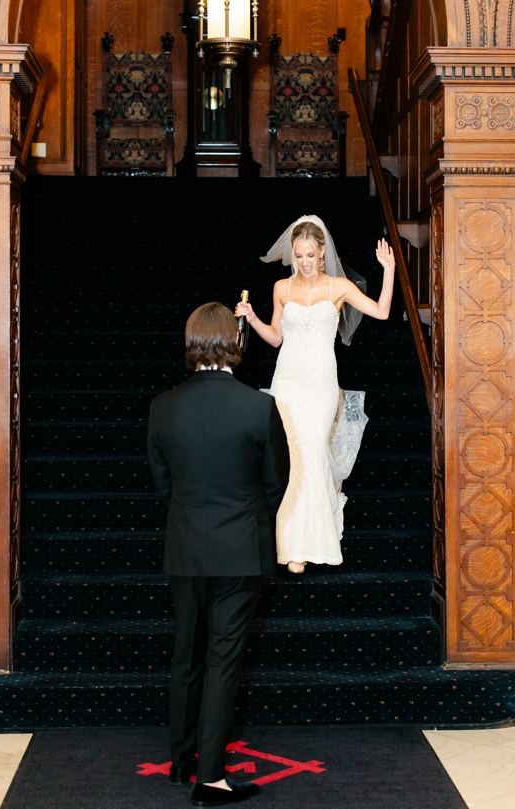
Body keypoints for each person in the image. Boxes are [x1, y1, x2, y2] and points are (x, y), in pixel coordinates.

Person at [147, 303, 291, 806]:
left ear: (192, 343)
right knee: (223, 660)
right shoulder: (258, 407)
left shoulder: (163, 406)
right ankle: (210, 777)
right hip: (241, 550)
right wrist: (247, 517)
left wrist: (193, 516)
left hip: (185, 545)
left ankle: (180, 761)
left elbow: (162, 484)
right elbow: (277, 483)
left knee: (186, 652)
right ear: (234, 341)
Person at [235, 216, 395, 573]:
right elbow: (277, 338)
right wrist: (253, 316)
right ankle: (291, 545)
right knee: (288, 455)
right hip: (287, 382)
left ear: (322, 253)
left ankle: (311, 542)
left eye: (310, 255)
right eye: (298, 255)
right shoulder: (281, 288)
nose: (304, 262)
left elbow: (382, 312)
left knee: (311, 449)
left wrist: (389, 269)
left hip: (321, 384)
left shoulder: (338, 287)